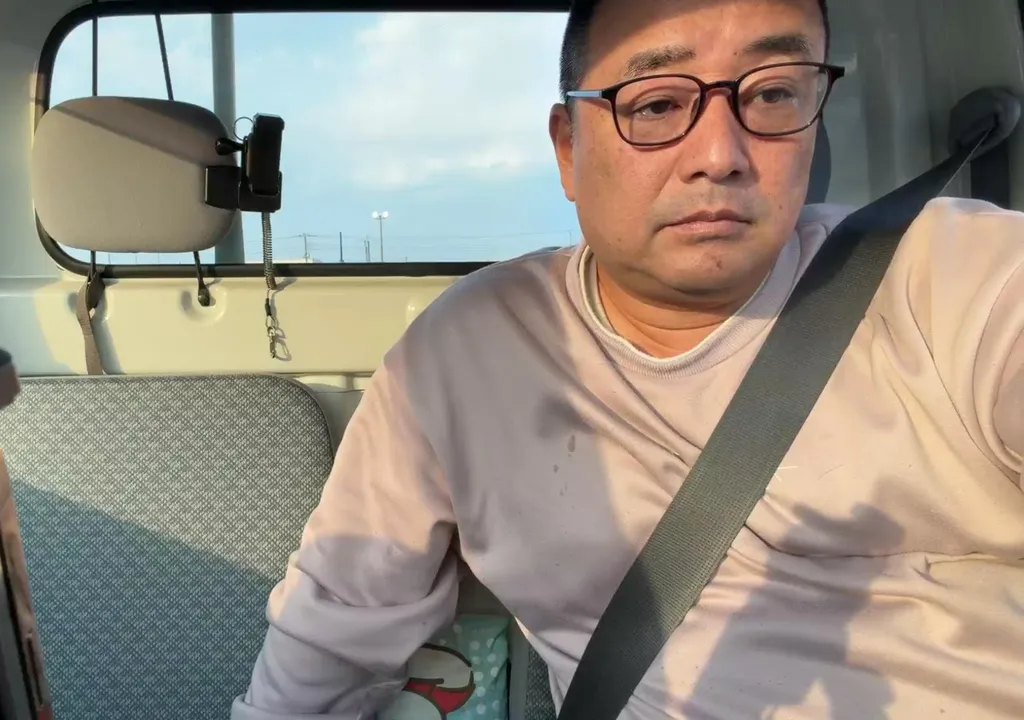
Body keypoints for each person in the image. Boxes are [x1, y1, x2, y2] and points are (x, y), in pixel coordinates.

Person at [232, 0, 1024, 717]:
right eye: (657, 104)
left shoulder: (961, 280)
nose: (720, 153)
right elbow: (334, 629)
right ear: (567, 149)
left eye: (773, 94)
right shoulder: (463, 355)